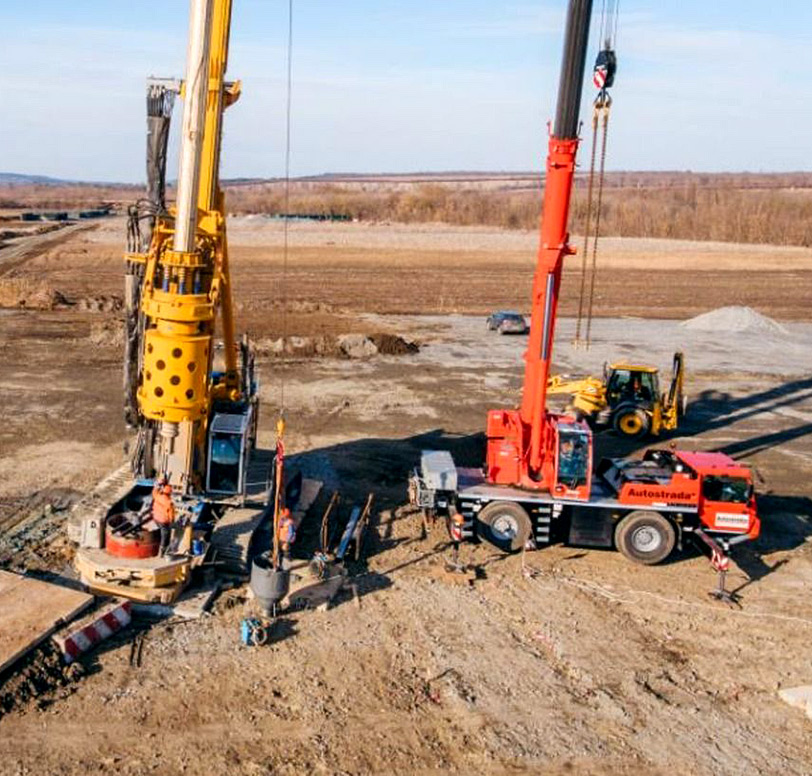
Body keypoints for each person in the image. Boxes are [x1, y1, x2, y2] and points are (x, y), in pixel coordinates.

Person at [152, 475, 176, 556]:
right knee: (165, 535)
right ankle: (162, 551)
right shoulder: (169, 502)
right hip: (163, 521)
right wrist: (172, 521)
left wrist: (159, 484)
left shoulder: (158, 495)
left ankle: (161, 546)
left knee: (161, 532)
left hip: (156, 518)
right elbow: (171, 514)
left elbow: (154, 491)